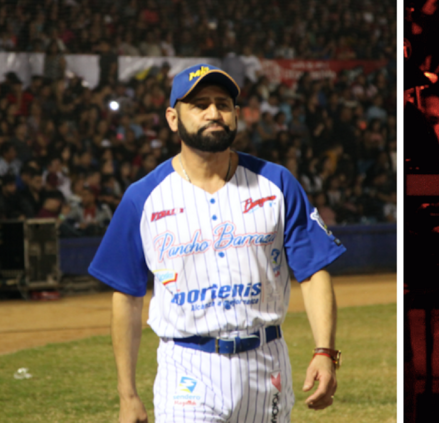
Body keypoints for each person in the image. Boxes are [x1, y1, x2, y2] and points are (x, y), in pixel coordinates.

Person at [88, 63, 345, 423]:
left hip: (267, 364)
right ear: (173, 118)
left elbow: (314, 271)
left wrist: (325, 351)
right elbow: (128, 298)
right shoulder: (142, 198)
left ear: (236, 115)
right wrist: (127, 394)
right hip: (187, 368)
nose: (214, 113)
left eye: (223, 104)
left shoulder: (277, 183)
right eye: (199, 104)